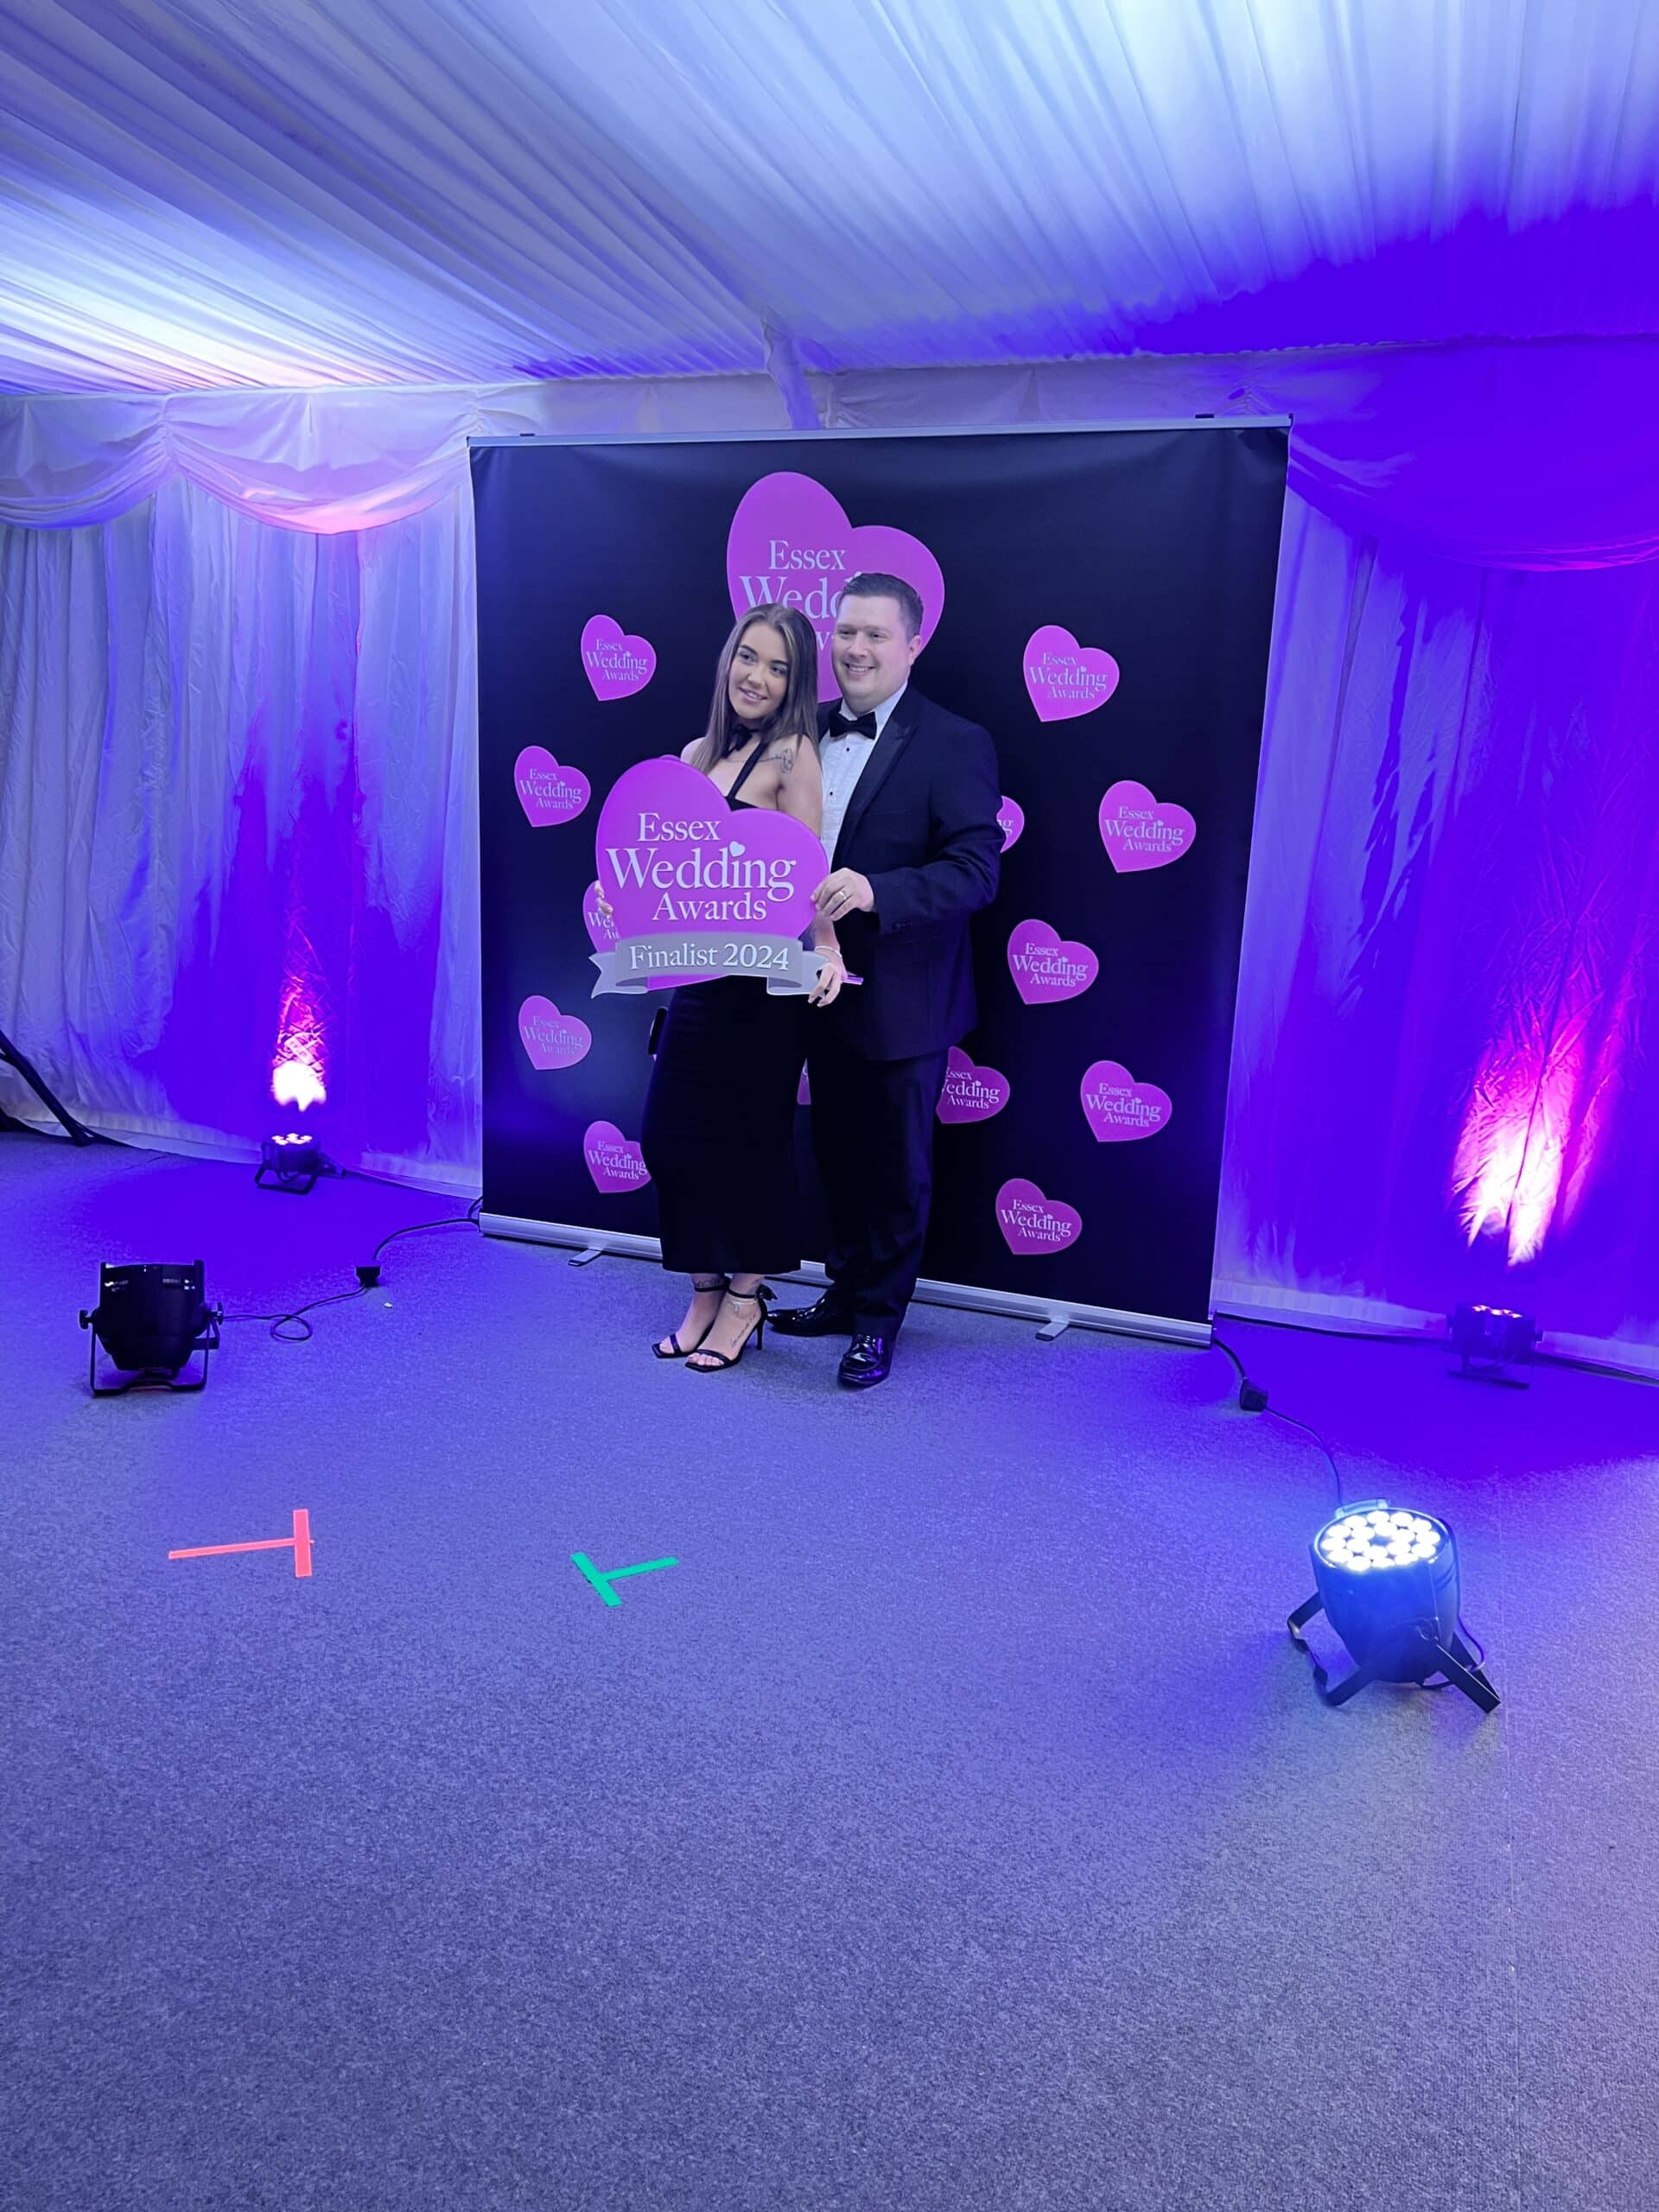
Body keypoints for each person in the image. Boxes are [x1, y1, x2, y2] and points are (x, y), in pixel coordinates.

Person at [771, 572, 1002, 1388]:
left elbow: (977, 871)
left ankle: (878, 1322)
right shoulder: (798, 732)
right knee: (832, 1153)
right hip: (806, 983)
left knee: (896, 1169)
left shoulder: (955, 741)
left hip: (905, 998)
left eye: (874, 635)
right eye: (845, 632)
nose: (855, 649)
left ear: (914, 644)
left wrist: (879, 891)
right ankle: (842, 1291)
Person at [634, 604, 844, 1371]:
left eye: (779, 667)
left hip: (763, 991)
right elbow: (663, 869)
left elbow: (808, 869)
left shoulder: (793, 758)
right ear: (728, 662)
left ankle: (746, 1297)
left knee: (752, 1147)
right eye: (748, 658)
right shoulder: (693, 755)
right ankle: (703, 1286)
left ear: (794, 684)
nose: (757, 676)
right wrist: (617, 902)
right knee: (670, 1137)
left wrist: (827, 947)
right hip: (696, 981)